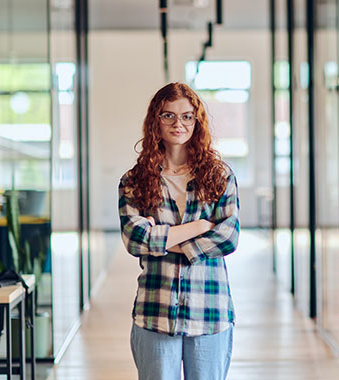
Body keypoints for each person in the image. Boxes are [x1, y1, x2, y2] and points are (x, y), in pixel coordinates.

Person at [118, 82, 240, 380]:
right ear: (154, 121)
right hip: (155, 310)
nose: (178, 124)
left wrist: (162, 239)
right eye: (168, 115)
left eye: (187, 116)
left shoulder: (219, 176)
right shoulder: (134, 180)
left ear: (197, 122)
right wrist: (197, 227)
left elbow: (228, 236)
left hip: (209, 310)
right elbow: (135, 239)